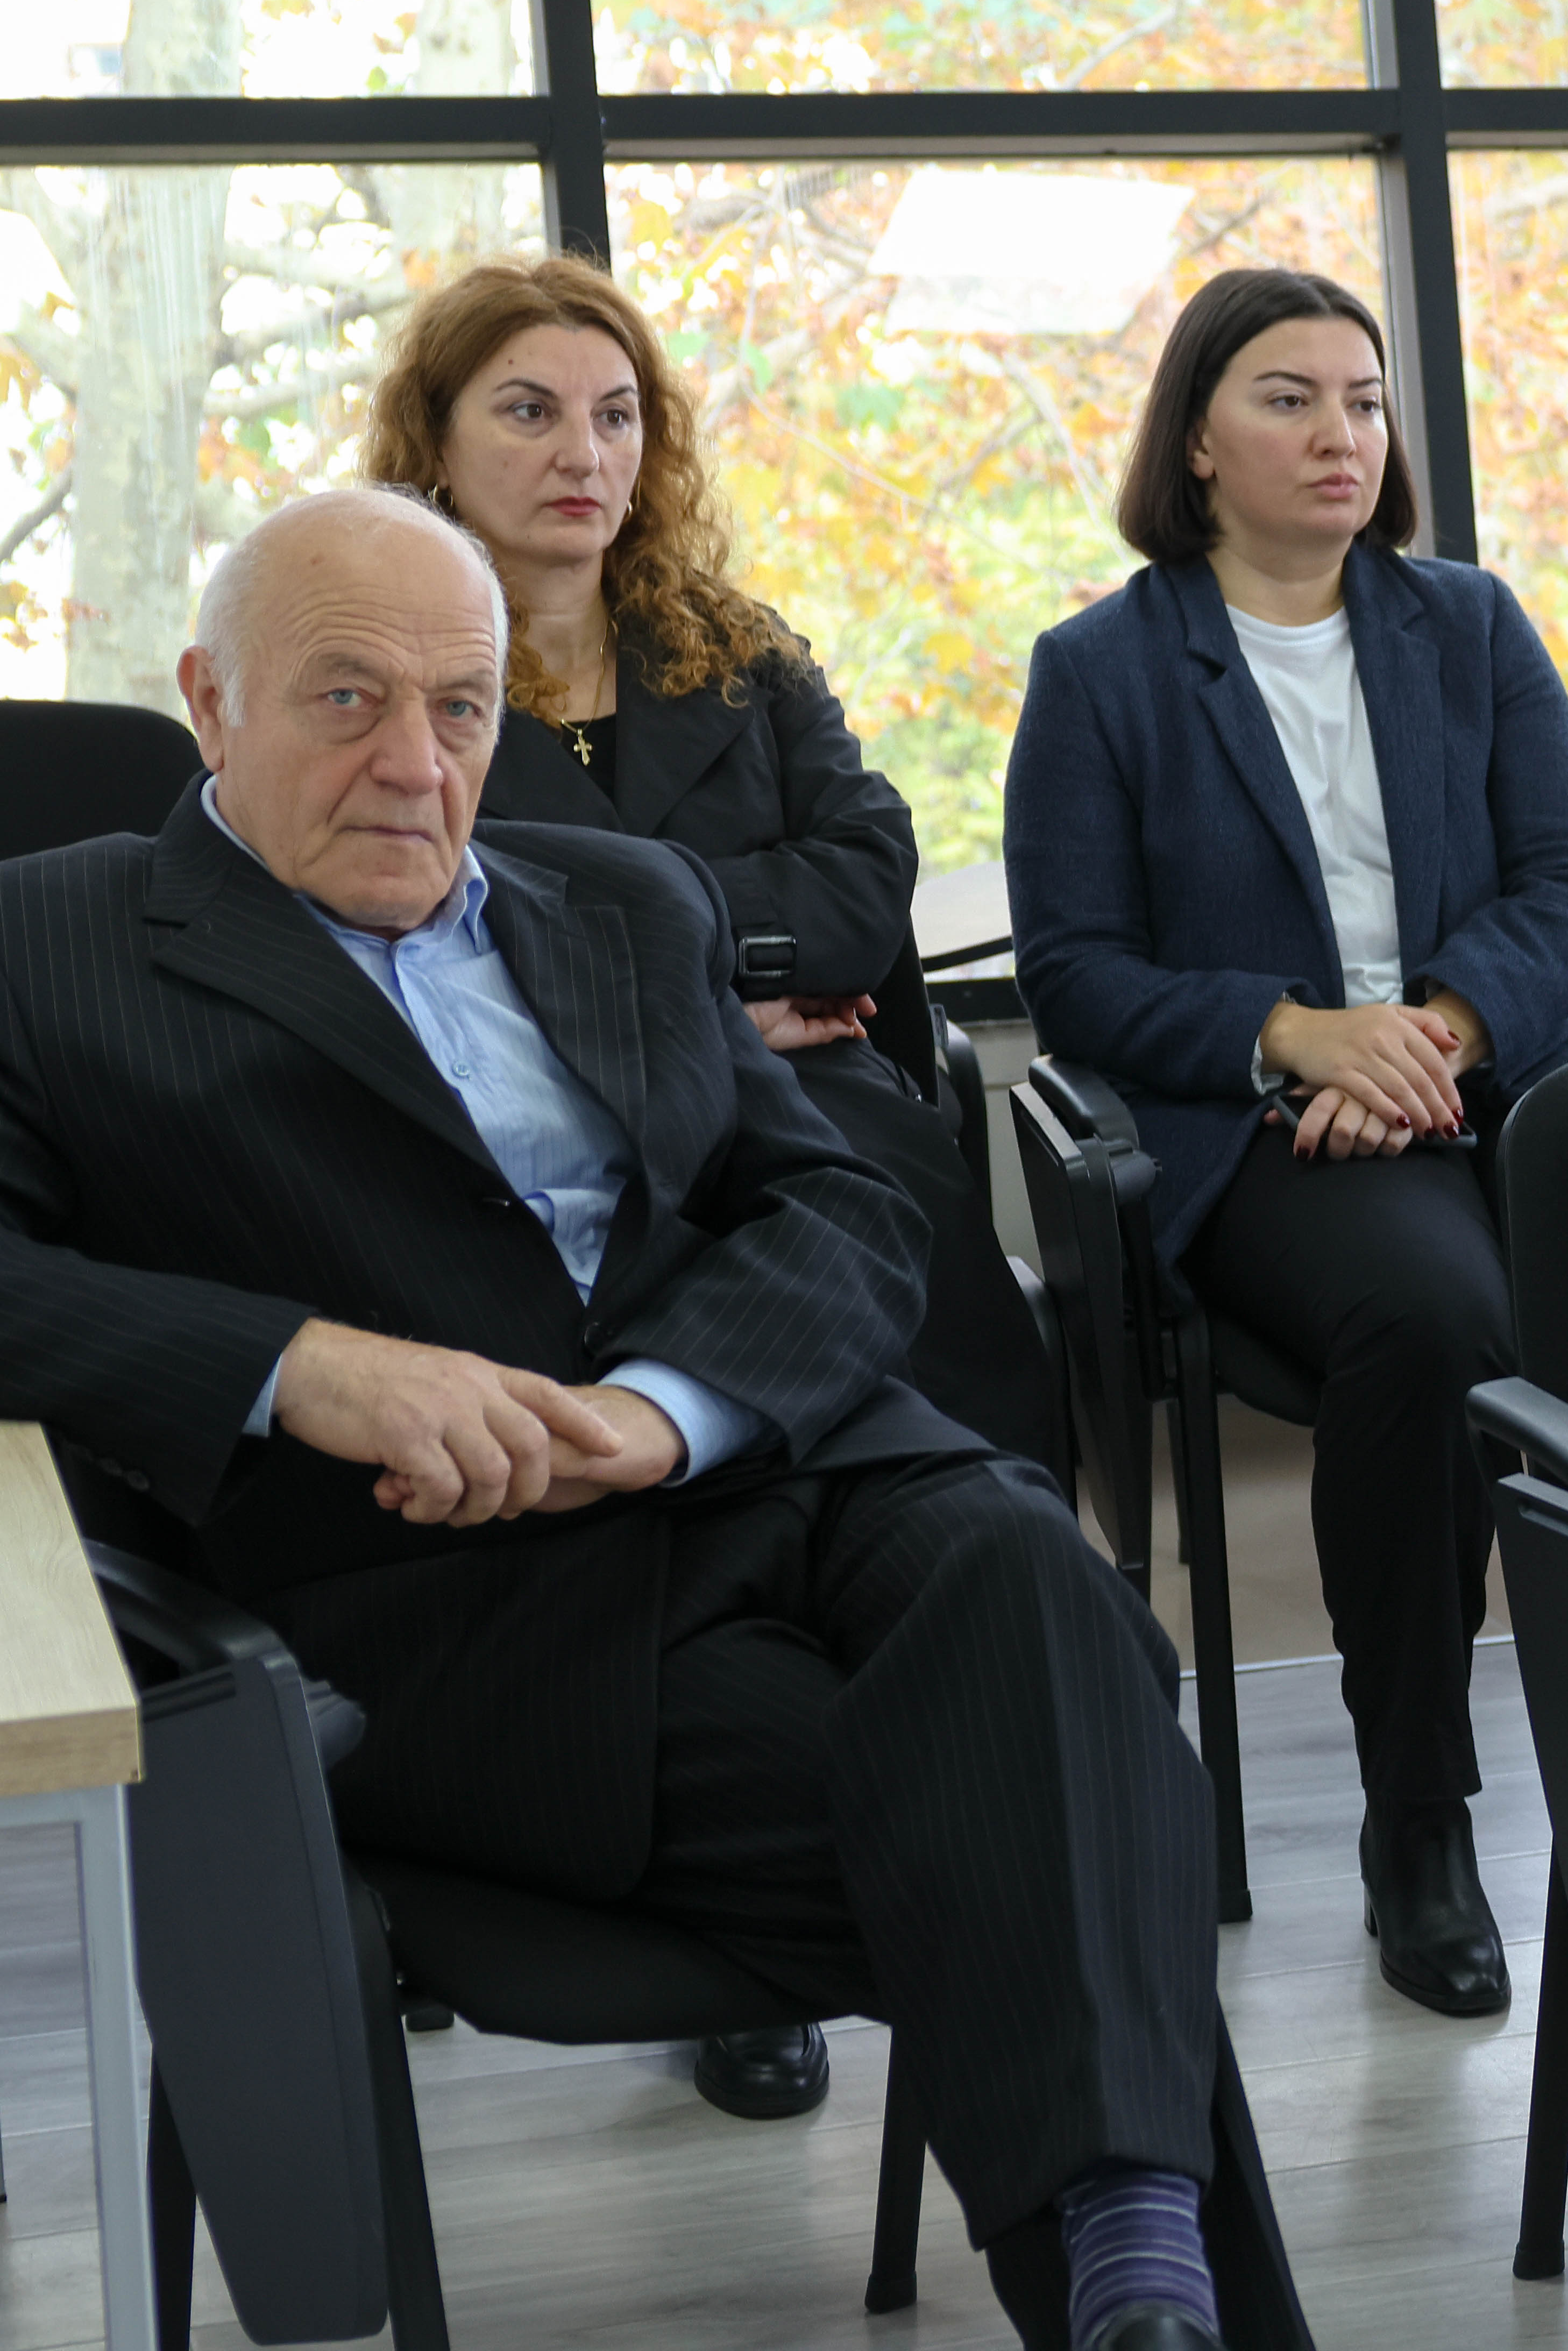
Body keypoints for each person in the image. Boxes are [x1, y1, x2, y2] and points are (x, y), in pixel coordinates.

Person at [0, 488, 1303, 2351]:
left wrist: (671, 1409)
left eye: (460, 708)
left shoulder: (622, 896)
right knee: (1072, 1811)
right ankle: (1145, 2278)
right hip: (464, 1596)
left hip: (782, 1468)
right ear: (212, 700)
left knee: (1032, 1569)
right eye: (347, 698)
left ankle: (1139, 2280)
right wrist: (304, 1362)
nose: (414, 763)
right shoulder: (49, 944)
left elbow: (837, 1204)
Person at [361, 258, 1065, 2120]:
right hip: (531, 1135)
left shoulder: (729, 648)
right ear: (434, 440)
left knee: (891, 1222)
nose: (581, 453)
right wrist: (723, 972)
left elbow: (867, 875)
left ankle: (999, 1691)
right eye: (528, 411)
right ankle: (753, 1891)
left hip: (802, 1102)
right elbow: (422, 934)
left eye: (616, 416)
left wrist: (678, 959)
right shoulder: (397, 675)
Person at [1007, 268, 1568, 2026]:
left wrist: (1431, 1036)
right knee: (1431, 1318)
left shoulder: (1467, 628)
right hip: (1257, 1133)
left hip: (1478, 1095)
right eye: (1289, 398)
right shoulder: (1104, 670)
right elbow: (1075, 972)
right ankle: (1422, 1818)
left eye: (1363, 399)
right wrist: (1297, 1035)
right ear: (1195, 439)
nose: (1342, 434)